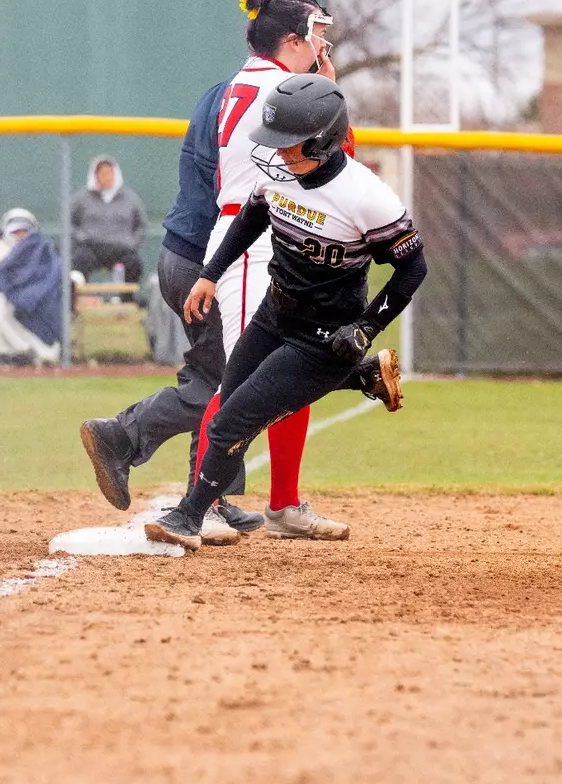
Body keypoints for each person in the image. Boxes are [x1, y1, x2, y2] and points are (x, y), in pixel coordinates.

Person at [146, 75, 424, 552]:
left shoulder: (366, 197)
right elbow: (252, 218)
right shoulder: (279, 175)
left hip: (325, 336)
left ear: (324, 140)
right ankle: (363, 378)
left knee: (231, 422)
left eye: (290, 146)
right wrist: (210, 273)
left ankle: (189, 517)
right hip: (274, 316)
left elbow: (412, 268)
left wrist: (367, 326)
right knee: (228, 402)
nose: (279, 155)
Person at [78, 74, 257, 537]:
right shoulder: (258, 96)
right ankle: (121, 436)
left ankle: (210, 495)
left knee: (218, 376)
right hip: (205, 261)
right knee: (220, 384)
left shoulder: (227, 89)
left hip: (189, 254)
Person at [0, 208, 62, 364]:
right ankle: (16, 351)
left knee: (12, 308)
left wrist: (26, 294)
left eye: (24, 230)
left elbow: (47, 276)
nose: (20, 235)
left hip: (36, 299)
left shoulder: (42, 249)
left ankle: (42, 353)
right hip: (4, 296)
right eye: (16, 231)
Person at [69, 154, 146, 283]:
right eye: (102, 173)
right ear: (95, 175)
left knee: (133, 263)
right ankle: (81, 298)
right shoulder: (81, 199)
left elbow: (141, 226)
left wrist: (131, 242)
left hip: (121, 250)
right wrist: (81, 237)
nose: (107, 177)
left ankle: (126, 299)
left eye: (110, 173)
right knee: (79, 260)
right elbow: (70, 223)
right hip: (91, 249)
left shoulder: (131, 199)